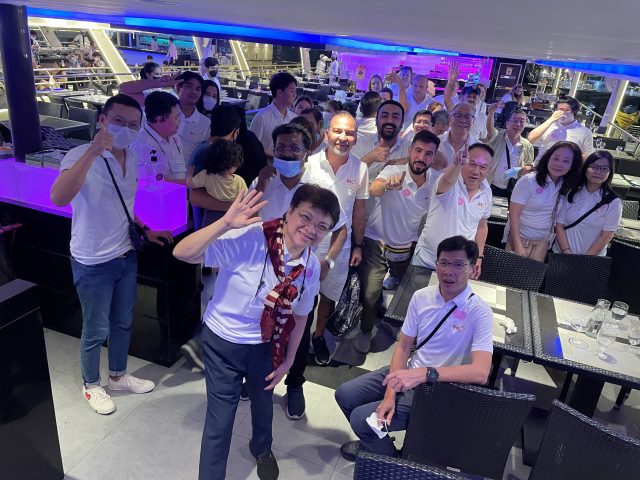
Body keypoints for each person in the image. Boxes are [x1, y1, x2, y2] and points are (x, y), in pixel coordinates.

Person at [173, 185, 340, 480]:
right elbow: (182, 253)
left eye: (322, 226)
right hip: (222, 343)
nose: (311, 229)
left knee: (263, 404)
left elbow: (301, 316)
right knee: (220, 422)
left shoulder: (310, 266)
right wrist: (225, 223)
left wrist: (289, 361)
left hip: (266, 346)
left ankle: (262, 448)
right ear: (289, 212)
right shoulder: (251, 237)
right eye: (305, 217)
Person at [50, 94, 173, 415]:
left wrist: (145, 228)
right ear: (103, 120)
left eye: (133, 125)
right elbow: (59, 197)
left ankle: (117, 376)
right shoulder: (79, 155)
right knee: (95, 328)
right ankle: (91, 384)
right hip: (92, 260)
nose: (126, 129)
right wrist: (93, 151)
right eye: (119, 121)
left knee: (122, 321)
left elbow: (124, 205)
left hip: (125, 255)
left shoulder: (131, 157)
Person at [336, 235, 493, 461]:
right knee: (345, 395)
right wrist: (390, 393)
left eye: (458, 264)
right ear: (436, 264)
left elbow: (481, 373)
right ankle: (378, 444)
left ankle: (393, 462)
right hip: (410, 372)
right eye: (444, 263)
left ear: (472, 268)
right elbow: (403, 347)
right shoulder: (422, 297)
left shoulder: (479, 312)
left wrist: (424, 374)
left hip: (441, 389)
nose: (449, 271)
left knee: (361, 419)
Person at [355, 130, 442, 353]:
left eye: (428, 154)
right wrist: (387, 185)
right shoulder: (395, 171)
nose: (421, 157)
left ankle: (401, 329)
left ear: (434, 157)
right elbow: (374, 188)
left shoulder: (435, 181)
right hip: (377, 241)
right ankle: (366, 330)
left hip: (408, 246)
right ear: (410, 151)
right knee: (370, 293)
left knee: (410, 294)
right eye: (418, 151)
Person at [307, 113, 369, 367]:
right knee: (301, 292)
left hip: (339, 246)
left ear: (356, 139)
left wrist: (358, 245)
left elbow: (359, 210)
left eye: (349, 133)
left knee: (328, 294)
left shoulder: (360, 169)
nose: (343, 138)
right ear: (326, 134)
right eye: (338, 131)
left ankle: (319, 335)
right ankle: (296, 334)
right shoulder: (309, 164)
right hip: (307, 244)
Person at [412, 143, 493, 277]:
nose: (476, 171)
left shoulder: (487, 192)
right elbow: (448, 180)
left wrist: (479, 257)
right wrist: (456, 164)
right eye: (472, 164)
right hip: (427, 261)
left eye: (483, 167)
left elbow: (482, 225)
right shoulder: (448, 181)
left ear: (489, 170)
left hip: (459, 266)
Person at [505, 141, 582, 260]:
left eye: (566, 161)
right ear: (548, 158)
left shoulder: (565, 185)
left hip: (543, 242)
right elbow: (514, 214)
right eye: (556, 158)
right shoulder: (529, 181)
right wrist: (518, 244)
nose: (559, 164)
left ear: (573, 165)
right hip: (521, 238)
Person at [554, 151, 623, 256]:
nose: (598, 172)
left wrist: (585, 260)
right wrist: (566, 251)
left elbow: (606, 236)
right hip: (560, 254)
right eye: (594, 167)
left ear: (610, 172)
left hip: (590, 259)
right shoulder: (572, 192)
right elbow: (559, 225)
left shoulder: (613, 201)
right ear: (586, 168)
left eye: (604, 168)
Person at [132, 91, 185, 182]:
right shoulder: (142, 145)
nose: (180, 120)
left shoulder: (173, 135)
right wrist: (190, 183)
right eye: (176, 117)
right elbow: (153, 183)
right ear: (160, 120)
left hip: (181, 190)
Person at [352, 100, 411, 180]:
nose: (390, 121)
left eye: (395, 117)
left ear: (402, 123)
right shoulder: (360, 143)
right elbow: (348, 176)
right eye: (384, 116)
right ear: (376, 121)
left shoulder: (409, 148)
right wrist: (370, 157)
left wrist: (408, 162)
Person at [485, 104, 535, 198]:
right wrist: (491, 113)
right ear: (507, 123)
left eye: (522, 121)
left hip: (512, 189)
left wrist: (524, 170)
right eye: (515, 121)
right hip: (490, 184)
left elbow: (529, 168)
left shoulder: (527, 145)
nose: (518, 124)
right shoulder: (498, 136)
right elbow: (490, 129)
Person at [189, 140, 247, 217]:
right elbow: (245, 199)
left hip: (211, 214)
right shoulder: (239, 180)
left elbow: (190, 184)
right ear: (235, 164)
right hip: (232, 214)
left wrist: (190, 174)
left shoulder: (206, 175)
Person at [528, 96, 594, 160]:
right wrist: (551, 119)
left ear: (574, 111)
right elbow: (530, 139)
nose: (563, 113)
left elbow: (588, 156)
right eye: (560, 109)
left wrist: (568, 156)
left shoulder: (585, 132)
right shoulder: (549, 125)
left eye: (567, 110)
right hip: (542, 163)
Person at [250, 72, 297, 157]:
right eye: (291, 91)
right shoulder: (261, 118)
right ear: (279, 92)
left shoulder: (294, 118)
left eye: (295, 91)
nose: (295, 95)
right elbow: (252, 147)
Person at [175, 71, 211, 164]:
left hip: (188, 172)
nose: (194, 92)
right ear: (178, 88)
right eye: (189, 86)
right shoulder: (166, 114)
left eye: (198, 89)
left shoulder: (205, 123)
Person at [433, 102, 480, 171]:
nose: (463, 120)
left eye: (467, 116)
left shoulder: (479, 148)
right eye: (458, 115)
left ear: (473, 121)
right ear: (449, 119)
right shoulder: (435, 143)